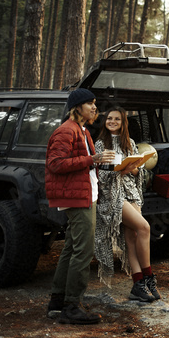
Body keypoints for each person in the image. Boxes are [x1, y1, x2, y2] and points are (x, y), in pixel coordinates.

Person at [45, 88, 115, 325]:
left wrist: (99, 162)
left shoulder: (82, 130)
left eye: (95, 103)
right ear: (77, 107)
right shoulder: (66, 130)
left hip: (85, 194)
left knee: (72, 247)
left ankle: (58, 301)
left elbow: (81, 164)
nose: (95, 107)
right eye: (90, 103)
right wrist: (90, 160)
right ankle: (72, 306)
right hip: (76, 198)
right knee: (83, 250)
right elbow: (55, 164)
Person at [93, 107, 160, 302]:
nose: (112, 121)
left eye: (117, 119)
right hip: (113, 196)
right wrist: (121, 172)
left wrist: (133, 169)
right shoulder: (100, 145)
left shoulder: (129, 143)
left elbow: (140, 174)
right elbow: (101, 177)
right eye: (109, 118)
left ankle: (137, 284)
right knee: (145, 227)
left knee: (132, 236)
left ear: (123, 123)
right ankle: (148, 277)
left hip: (132, 193)